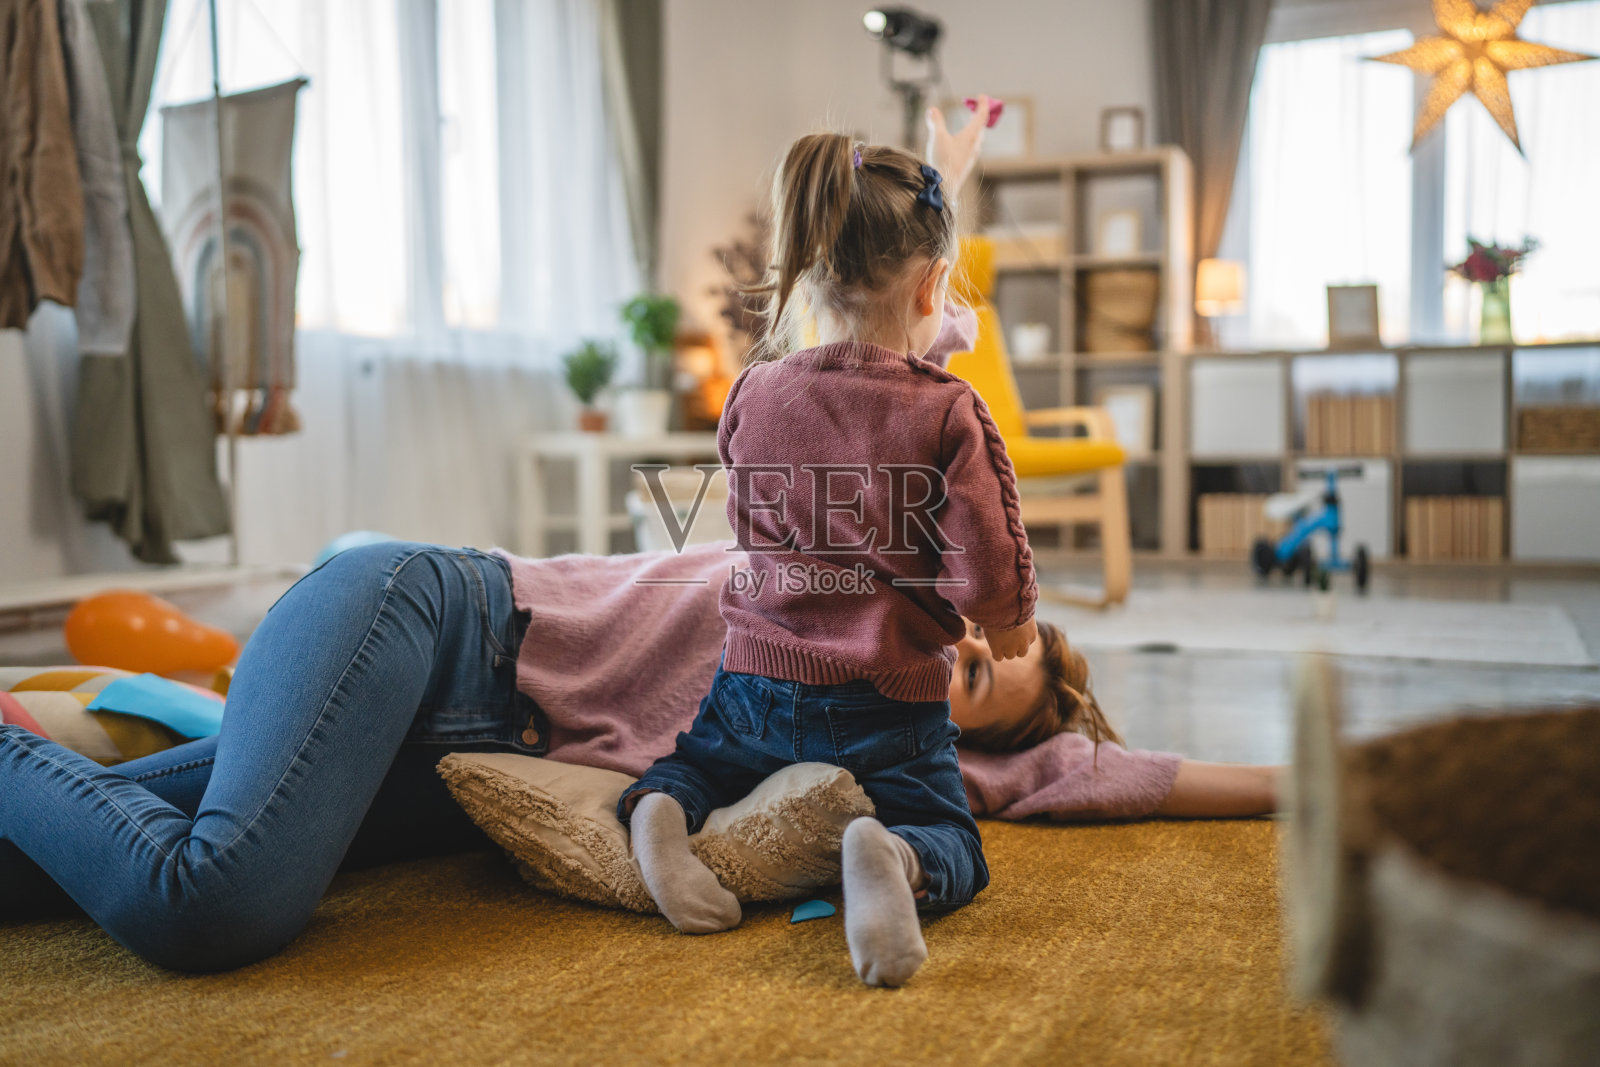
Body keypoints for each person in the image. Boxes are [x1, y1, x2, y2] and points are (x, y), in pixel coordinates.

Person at [617, 107, 1036, 989]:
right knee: (954, 837)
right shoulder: (947, 409)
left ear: (811, 266)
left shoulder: (755, 391)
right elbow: (987, 557)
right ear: (933, 287)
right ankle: (892, 854)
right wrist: (1009, 624)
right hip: (886, 703)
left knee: (695, 764)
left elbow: (749, 516)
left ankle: (661, 815)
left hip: (755, 687)